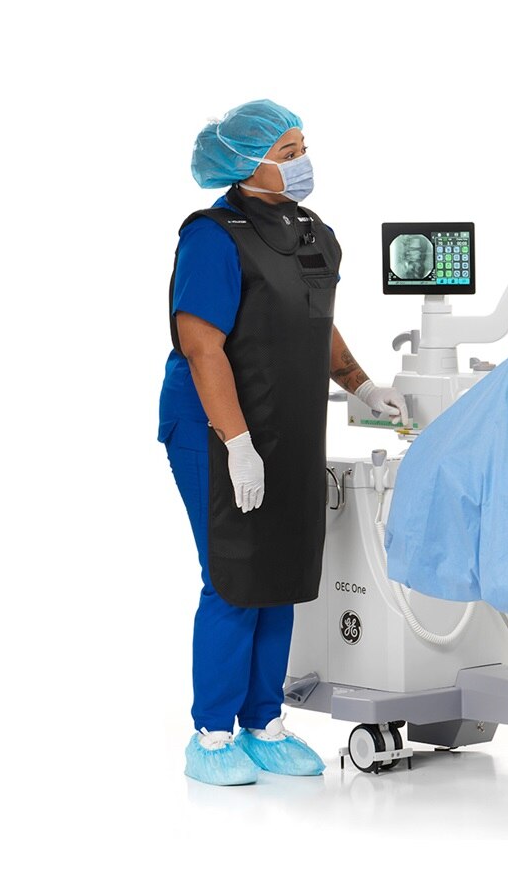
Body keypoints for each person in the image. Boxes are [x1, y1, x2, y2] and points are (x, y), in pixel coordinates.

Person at [161, 99, 406, 786]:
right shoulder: (214, 237)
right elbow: (202, 346)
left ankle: (263, 723)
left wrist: (362, 386)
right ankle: (212, 735)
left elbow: (315, 318)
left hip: (289, 422)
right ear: (245, 164)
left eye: (303, 149)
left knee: (283, 574)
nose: (302, 163)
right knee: (235, 576)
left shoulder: (311, 232)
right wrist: (236, 445)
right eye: (288, 153)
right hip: (213, 428)